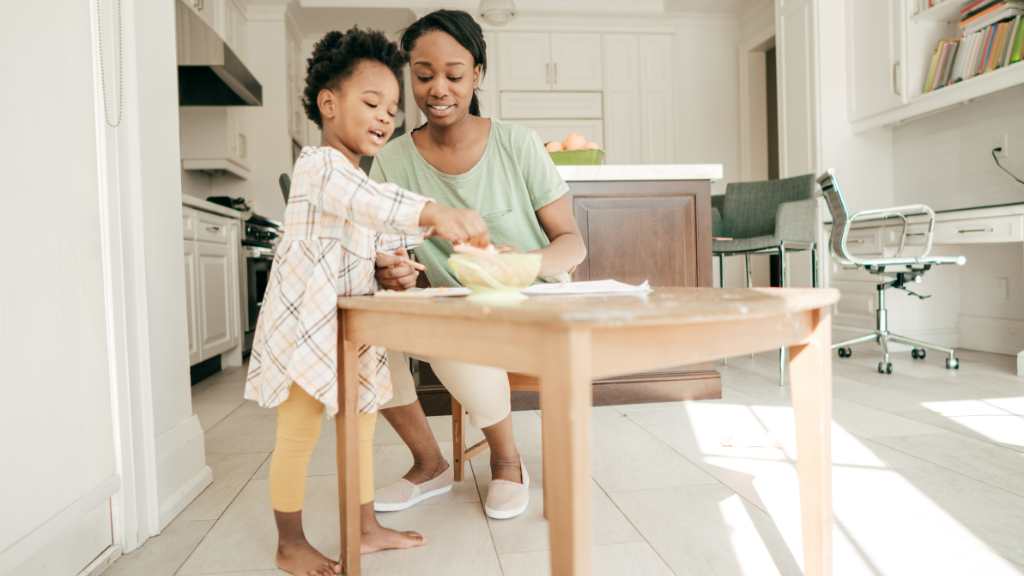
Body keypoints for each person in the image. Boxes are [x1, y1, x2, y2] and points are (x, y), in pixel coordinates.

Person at [244, 28, 489, 576]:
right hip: (309, 329)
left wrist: (396, 269)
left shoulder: (358, 177)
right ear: (329, 105)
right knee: (300, 433)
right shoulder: (320, 167)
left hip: (354, 329)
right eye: (372, 104)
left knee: (361, 430)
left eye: (393, 109)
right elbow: (368, 202)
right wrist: (435, 214)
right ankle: (289, 541)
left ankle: (364, 526)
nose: (386, 118)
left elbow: (379, 243)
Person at [371, 9, 587, 521]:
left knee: (453, 326)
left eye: (453, 74)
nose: (438, 89)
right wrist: (390, 271)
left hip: (533, 300)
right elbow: (388, 252)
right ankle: (428, 463)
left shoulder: (517, 143)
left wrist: (526, 263)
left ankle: (507, 460)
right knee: (365, 329)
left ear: (478, 75)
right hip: (452, 308)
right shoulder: (392, 160)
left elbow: (572, 242)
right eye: (423, 76)